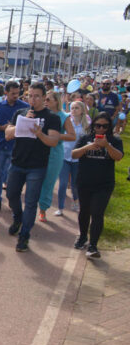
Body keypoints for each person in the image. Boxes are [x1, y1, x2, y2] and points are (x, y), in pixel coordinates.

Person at [5, 82, 61, 252]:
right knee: (11, 194)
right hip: (17, 163)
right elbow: (8, 135)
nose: (33, 99)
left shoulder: (52, 117)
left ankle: (24, 236)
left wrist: (39, 133)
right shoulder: (20, 113)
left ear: (44, 98)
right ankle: (18, 217)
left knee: (30, 202)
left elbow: (53, 141)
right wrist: (23, 123)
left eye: (37, 96)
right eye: (30, 95)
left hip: (37, 166)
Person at [72, 113, 124, 258]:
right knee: (84, 211)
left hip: (104, 184)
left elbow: (119, 157)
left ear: (109, 127)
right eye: (98, 126)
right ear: (93, 126)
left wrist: (106, 145)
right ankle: (83, 237)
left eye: (105, 126)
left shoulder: (115, 140)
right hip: (85, 181)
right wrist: (89, 147)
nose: (101, 129)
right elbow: (74, 154)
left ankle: (93, 245)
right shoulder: (85, 138)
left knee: (97, 213)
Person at [38, 91, 76, 222]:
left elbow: (72, 135)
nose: (46, 102)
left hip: (54, 152)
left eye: (48, 100)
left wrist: (56, 136)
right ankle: (32, 207)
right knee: (34, 179)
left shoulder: (64, 116)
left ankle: (43, 209)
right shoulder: (41, 113)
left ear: (56, 101)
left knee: (48, 181)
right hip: (38, 150)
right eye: (45, 99)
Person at [0, 81, 29, 212]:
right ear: (6, 93)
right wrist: (4, 128)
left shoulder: (25, 107)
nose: (15, 96)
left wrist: (13, 128)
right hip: (2, 145)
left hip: (17, 147)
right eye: (13, 93)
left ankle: (14, 202)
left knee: (14, 177)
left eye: (17, 93)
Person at [56, 101, 87, 216]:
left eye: (77, 108)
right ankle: (60, 208)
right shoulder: (66, 121)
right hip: (64, 157)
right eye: (72, 108)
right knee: (63, 184)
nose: (74, 110)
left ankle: (75, 202)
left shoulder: (86, 125)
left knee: (75, 184)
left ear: (82, 110)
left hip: (77, 159)